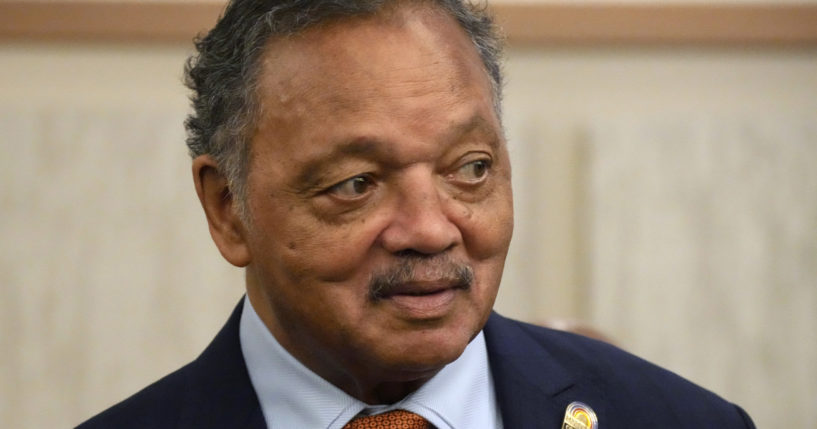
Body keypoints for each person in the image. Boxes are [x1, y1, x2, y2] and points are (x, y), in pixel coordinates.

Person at [78, 0, 755, 428]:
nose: (431, 229)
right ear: (228, 209)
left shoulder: (681, 420)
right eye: (356, 183)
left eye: (469, 168)